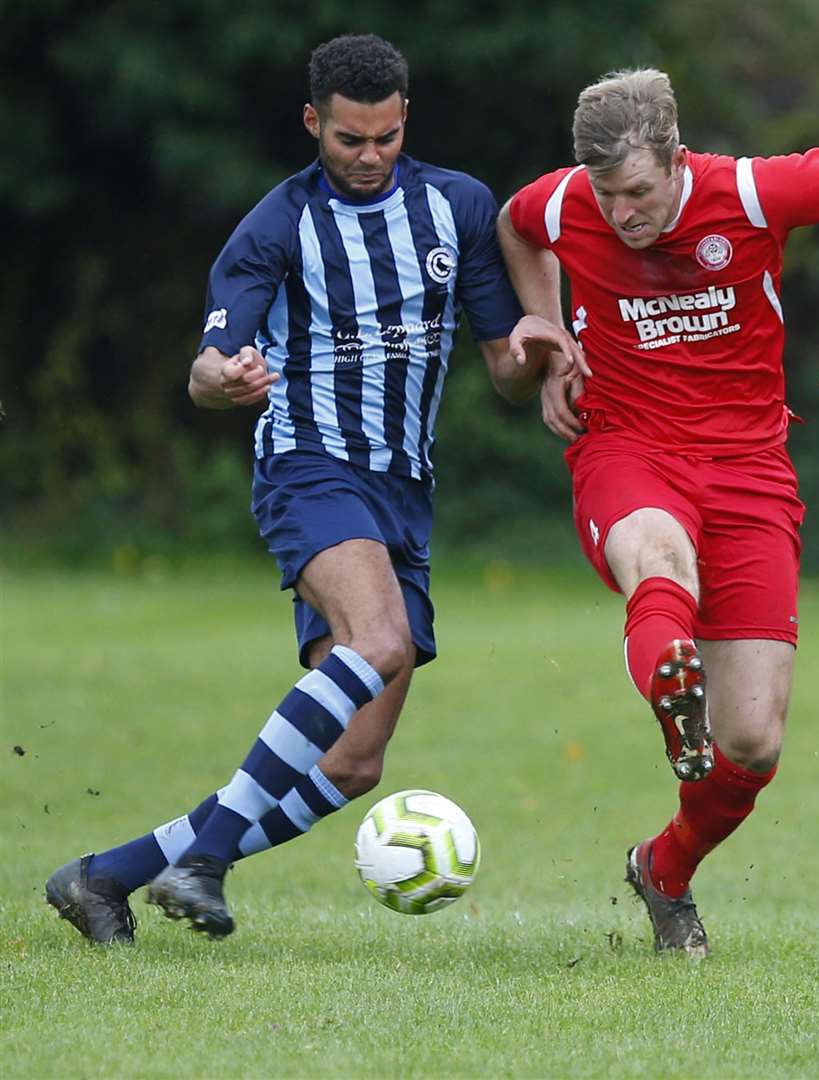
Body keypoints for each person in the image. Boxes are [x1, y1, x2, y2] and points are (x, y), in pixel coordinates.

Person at [44, 33, 540, 943]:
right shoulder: (277, 224)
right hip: (309, 466)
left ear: (404, 121)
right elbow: (206, 366)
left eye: (386, 136)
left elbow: (505, 371)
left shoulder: (459, 207)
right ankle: (204, 861)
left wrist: (532, 354)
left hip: (404, 492)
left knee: (354, 765)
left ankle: (104, 876)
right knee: (379, 638)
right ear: (315, 123)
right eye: (351, 138)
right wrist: (219, 380)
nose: (369, 155)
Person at [497, 68, 819, 958]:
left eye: (640, 192)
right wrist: (552, 340)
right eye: (608, 196)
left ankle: (664, 869)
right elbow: (517, 223)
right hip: (627, 447)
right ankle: (671, 687)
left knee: (753, 743)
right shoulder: (565, 203)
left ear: (678, 157)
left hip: (749, 470)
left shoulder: (752, 188)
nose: (622, 214)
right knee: (657, 559)